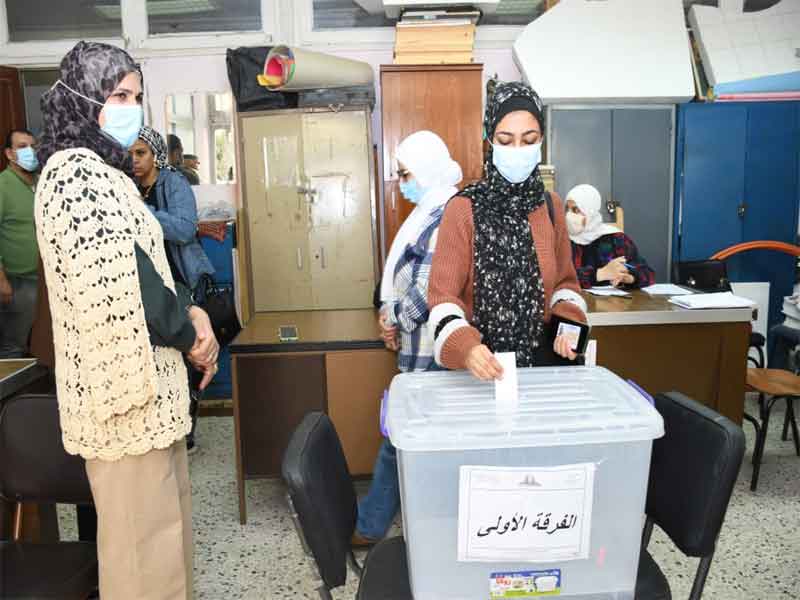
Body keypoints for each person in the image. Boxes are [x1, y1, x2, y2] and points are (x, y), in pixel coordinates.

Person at [35, 41, 219, 600]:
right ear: (81, 99)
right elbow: (130, 287)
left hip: (149, 395)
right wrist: (193, 335)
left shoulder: (106, 175)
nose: (130, 106)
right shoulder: (76, 178)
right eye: (118, 95)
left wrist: (190, 312)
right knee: (143, 561)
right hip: (123, 400)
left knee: (166, 545)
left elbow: (146, 267)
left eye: (136, 96)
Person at [428, 81, 587, 380]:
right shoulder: (463, 209)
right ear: (489, 140)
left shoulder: (550, 207)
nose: (518, 150)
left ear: (542, 141)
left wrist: (567, 324)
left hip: (541, 372)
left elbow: (565, 284)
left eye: (529, 140)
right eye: (506, 139)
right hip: (478, 374)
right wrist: (466, 348)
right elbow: (443, 297)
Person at [354, 131, 462, 545]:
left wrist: (394, 317)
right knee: (405, 442)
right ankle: (384, 525)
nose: (402, 183)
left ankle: (371, 527)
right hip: (420, 346)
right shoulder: (429, 210)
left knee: (400, 442)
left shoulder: (445, 216)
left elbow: (431, 289)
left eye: (406, 174)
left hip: (433, 351)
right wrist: (389, 315)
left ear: (430, 169)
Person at [131, 126, 215, 454]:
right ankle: (168, 424)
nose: (135, 160)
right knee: (164, 357)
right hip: (154, 287)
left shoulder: (173, 182)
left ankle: (188, 427)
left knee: (192, 356)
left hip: (184, 279)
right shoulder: (126, 187)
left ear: (156, 155)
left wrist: (143, 214)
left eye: (141, 153)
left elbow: (184, 229)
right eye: (131, 154)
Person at [565, 184, 655, 289]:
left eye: (576, 210)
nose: (569, 215)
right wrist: (600, 274)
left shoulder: (615, 239)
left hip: (612, 303)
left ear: (590, 211)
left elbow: (648, 273)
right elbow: (559, 278)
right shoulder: (562, 241)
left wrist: (630, 277)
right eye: (567, 209)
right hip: (573, 301)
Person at [0, 129, 39, 357]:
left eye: (33, 146)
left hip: (44, 280)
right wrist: (1, 278)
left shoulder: (41, 182)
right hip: (17, 283)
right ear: (9, 154)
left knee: (43, 345)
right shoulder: (3, 185)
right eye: (22, 147)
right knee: (14, 347)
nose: (30, 151)